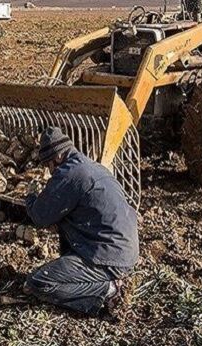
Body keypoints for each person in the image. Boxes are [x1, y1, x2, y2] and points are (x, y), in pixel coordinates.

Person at [22, 127, 139, 316]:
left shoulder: (68, 174)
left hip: (108, 255)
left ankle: (107, 290)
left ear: (58, 156)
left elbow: (39, 216)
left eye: (48, 165)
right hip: (123, 250)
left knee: (39, 282)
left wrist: (31, 195)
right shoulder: (94, 167)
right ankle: (103, 279)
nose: (49, 171)